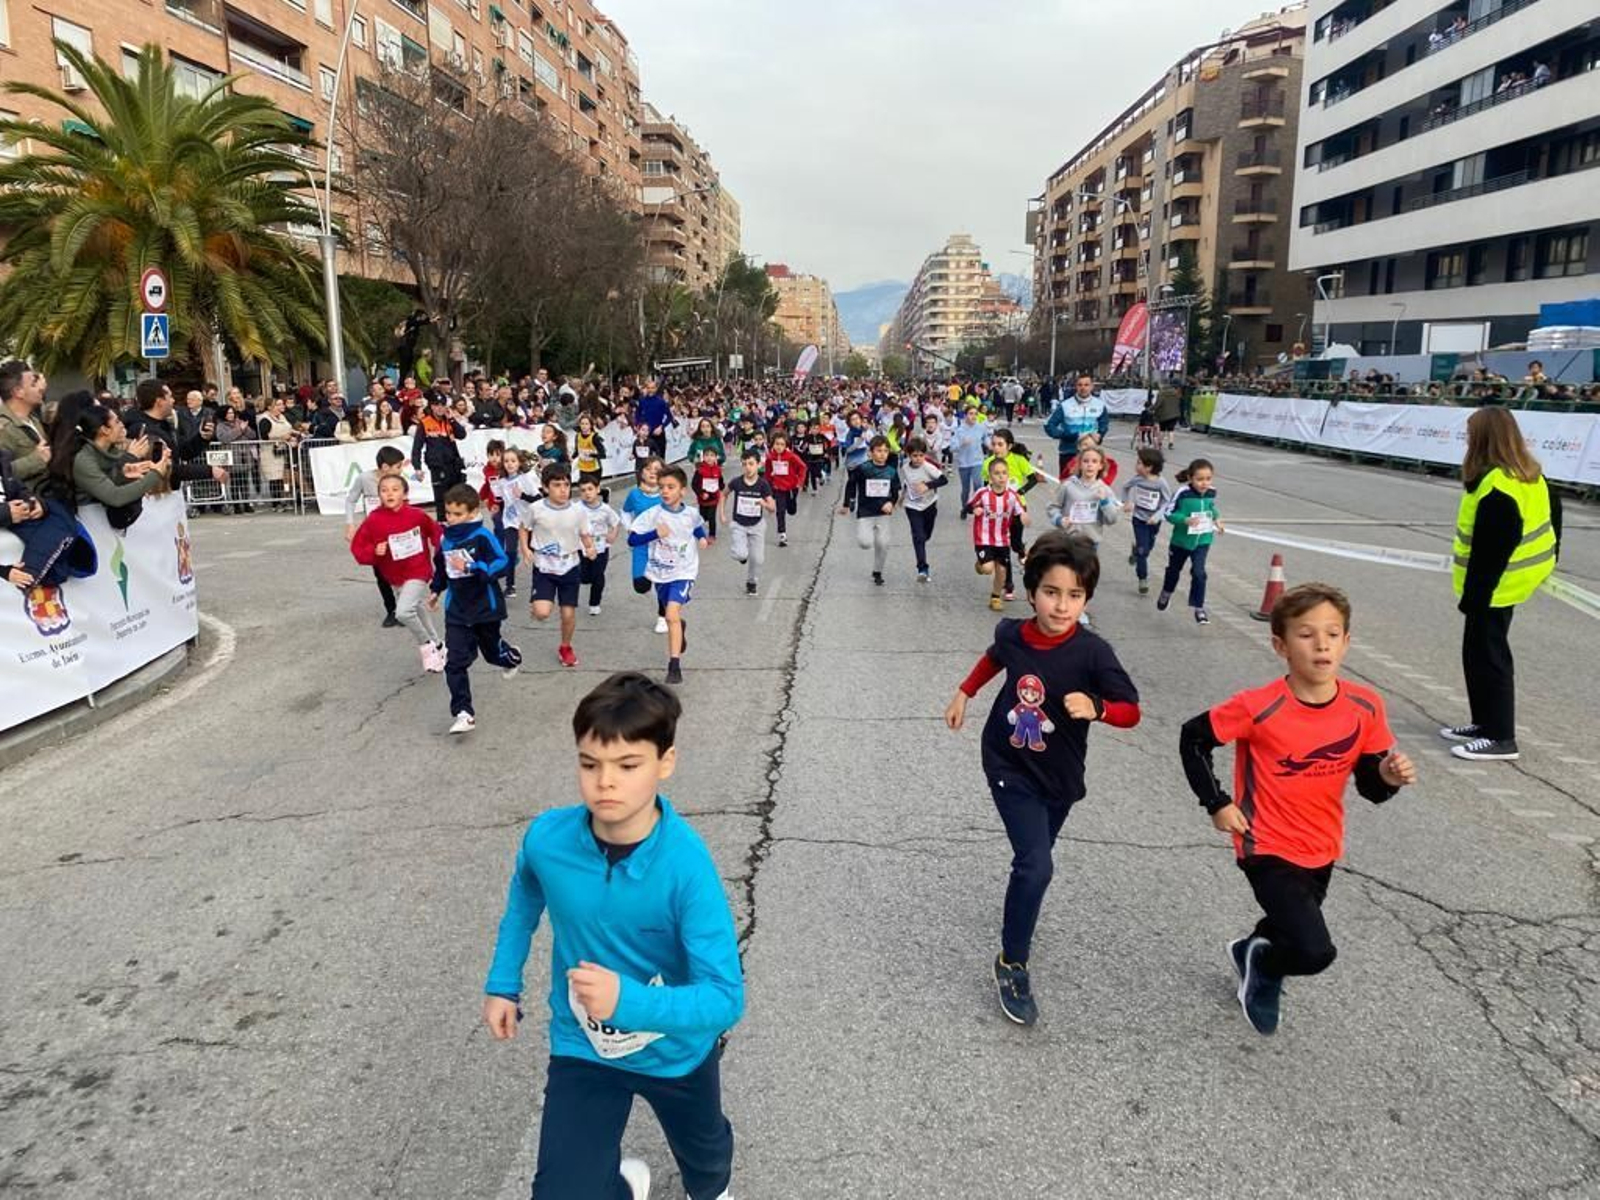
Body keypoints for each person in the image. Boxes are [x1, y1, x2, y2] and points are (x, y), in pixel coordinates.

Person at [482, 672, 744, 1200]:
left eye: (627, 766)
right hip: (584, 1047)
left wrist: (628, 1001)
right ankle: (624, 1185)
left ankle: (711, 1192)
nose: (605, 782)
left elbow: (725, 998)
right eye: (589, 764)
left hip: (675, 1052)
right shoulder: (548, 839)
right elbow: (526, 897)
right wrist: (502, 982)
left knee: (705, 1154)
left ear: (664, 764)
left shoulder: (687, 869)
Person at [1178, 583, 1417, 1035]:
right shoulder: (1258, 706)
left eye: (1332, 633)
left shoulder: (1366, 706)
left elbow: (1371, 786)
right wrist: (1217, 802)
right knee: (1313, 951)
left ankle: (1251, 950)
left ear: (1346, 641)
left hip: (1322, 846)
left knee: (1288, 926)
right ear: (1280, 646)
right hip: (1263, 842)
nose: (1321, 644)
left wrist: (1388, 776)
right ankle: (1265, 969)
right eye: (1306, 634)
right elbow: (1193, 738)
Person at [943, 531, 1140, 1026]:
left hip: (1061, 775)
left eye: (1075, 595)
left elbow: (1131, 710)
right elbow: (995, 657)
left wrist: (1098, 708)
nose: (1062, 605)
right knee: (1037, 865)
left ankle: (1022, 901)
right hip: (1007, 765)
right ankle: (1012, 963)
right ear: (1031, 592)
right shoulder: (1014, 633)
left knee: (1035, 860)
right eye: (1052, 592)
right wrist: (964, 693)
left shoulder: (1093, 654)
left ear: (1087, 598)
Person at [1441, 407, 1561, 762]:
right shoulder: (1527, 474)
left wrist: (1474, 597)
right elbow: (1555, 518)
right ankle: (1484, 723)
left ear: (1483, 439)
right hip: (1513, 579)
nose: (1466, 438)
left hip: (1496, 586)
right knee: (1477, 654)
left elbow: (1491, 551)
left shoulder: (1496, 486)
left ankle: (1501, 736)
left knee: (1490, 657)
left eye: (1469, 433)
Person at [429, 485, 522, 735]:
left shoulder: (482, 535)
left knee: (493, 655)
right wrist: (436, 590)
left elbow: (502, 562)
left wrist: (472, 567)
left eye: (458, 514)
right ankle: (464, 712)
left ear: (472, 512)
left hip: (485, 608)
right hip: (457, 611)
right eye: (448, 513)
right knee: (455, 663)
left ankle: (511, 656)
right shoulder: (445, 539)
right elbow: (441, 568)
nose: (451, 518)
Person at [349, 474, 445, 673]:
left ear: (405, 493)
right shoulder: (374, 520)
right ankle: (439, 645)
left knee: (402, 612)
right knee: (416, 608)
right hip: (394, 575)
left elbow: (436, 532)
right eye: (384, 490)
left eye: (395, 489)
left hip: (418, 570)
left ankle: (427, 646)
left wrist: (441, 551)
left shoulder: (416, 515)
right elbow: (358, 547)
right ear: (379, 495)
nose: (389, 493)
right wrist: (374, 552)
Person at [627, 466, 708, 686]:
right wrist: (655, 533)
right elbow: (632, 540)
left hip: (684, 572)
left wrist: (702, 538)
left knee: (670, 614)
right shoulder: (652, 515)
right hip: (659, 573)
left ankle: (674, 666)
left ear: (682, 490)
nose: (665, 491)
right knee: (673, 617)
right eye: (662, 487)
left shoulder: (691, 513)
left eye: (671, 487)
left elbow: (698, 527)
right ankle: (679, 627)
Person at [522, 463, 597, 670]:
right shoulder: (535, 509)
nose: (563, 489)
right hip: (544, 568)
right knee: (542, 613)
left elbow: (585, 534)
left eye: (566, 484)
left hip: (570, 566)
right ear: (545, 488)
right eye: (557, 485)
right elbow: (524, 528)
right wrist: (526, 549)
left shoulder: (578, 511)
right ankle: (538, 604)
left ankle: (565, 647)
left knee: (568, 614)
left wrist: (590, 548)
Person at [0, 445, 96, 590]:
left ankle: (43, 571)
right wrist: (6, 512)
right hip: (9, 519)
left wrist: (35, 503)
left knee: (58, 515)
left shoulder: (2, 458)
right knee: (60, 529)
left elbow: (17, 488)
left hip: (20, 516)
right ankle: (33, 574)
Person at [344, 445, 411, 627]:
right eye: (397, 466)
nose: (400, 470)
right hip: (375, 533)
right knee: (380, 573)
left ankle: (406, 607)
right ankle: (391, 610)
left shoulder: (399, 482)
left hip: (397, 532)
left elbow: (406, 505)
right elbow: (350, 500)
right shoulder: (364, 478)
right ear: (384, 467)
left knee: (401, 569)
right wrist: (350, 524)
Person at [1158, 458, 1223, 625]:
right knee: (1174, 570)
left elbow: (1211, 508)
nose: (1204, 483)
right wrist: (1184, 520)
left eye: (1208, 479)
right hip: (1181, 541)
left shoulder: (1211, 492)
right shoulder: (1182, 493)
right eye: (1200, 479)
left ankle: (1199, 607)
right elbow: (1168, 513)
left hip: (1203, 540)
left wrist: (1217, 520)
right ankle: (1167, 591)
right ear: (1190, 478)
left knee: (1199, 573)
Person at [965, 458, 1028, 611]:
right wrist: (974, 510)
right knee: (988, 569)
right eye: (997, 473)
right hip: (983, 537)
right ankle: (980, 565)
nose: (1001, 477)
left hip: (1002, 539)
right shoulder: (983, 493)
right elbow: (968, 506)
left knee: (1002, 570)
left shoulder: (1012, 495)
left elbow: (1020, 510)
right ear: (990, 476)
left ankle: (995, 597)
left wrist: (1024, 516)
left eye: (1004, 473)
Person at [838, 435, 900, 587]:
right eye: (879, 451)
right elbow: (851, 485)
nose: (882, 454)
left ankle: (877, 571)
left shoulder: (891, 471)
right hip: (866, 512)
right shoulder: (863, 469)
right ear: (870, 452)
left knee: (883, 544)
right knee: (865, 543)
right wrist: (846, 504)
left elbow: (896, 491)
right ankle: (869, 539)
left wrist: (891, 503)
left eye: (885, 451)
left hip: (883, 513)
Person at [623, 456, 667, 635]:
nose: (653, 472)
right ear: (641, 472)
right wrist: (630, 529)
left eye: (657, 469)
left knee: (661, 581)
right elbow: (625, 512)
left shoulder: (666, 494)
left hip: (661, 545)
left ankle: (662, 616)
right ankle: (659, 596)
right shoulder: (634, 495)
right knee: (640, 585)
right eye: (649, 469)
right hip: (641, 544)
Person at [722, 448, 775, 597]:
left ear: (758, 464)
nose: (748, 467)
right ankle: (741, 555)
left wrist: (763, 504)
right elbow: (724, 494)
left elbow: (772, 508)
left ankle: (752, 582)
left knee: (758, 559)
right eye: (744, 464)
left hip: (757, 525)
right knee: (741, 554)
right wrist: (722, 514)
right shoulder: (736, 482)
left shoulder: (763, 485)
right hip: (739, 524)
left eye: (751, 464)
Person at [1120, 448, 1172, 596]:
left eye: (1139, 463)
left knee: (1147, 548)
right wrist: (1127, 502)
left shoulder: (1161, 483)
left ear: (1149, 467)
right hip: (1139, 519)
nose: (1136, 466)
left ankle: (1136, 550)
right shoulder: (1137, 479)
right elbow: (1125, 487)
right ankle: (1142, 579)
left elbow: (1167, 502)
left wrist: (1157, 516)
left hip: (1154, 521)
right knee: (1144, 552)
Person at [411, 391, 469, 520]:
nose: (440, 408)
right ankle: (443, 530)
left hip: (454, 466)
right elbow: (417, 448)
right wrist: (417, 467)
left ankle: (460, 526)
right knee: (442, 502)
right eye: (436, 405)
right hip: (438, 467)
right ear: (431, 406)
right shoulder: (424, 423)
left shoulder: (449, 421)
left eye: (442, 405)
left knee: (458, 499)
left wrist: (452, 419)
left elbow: (462, 435)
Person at [898, 435, 947, 583]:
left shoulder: (928, 467)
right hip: (912, 506)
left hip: (929, 504)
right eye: (914, 456)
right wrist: (901, 498)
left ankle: (922, 542)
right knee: (918, 537)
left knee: (926, 535)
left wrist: (927, 486)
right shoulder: (905, 468)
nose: (918, 458)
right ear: (909, 455)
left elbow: (943, 479)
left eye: (921, 455)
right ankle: (922, 568)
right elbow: (906, 484)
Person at [0, 361, 51, 492]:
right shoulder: (3, 427)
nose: (41, 388)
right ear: (18, 392)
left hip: (48, 496)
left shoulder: (34, 419)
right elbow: (3, 474)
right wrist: (35, 460)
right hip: (28, 504)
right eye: (34, 384)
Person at [1044, 374, 1104, 475]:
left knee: (1091, 487)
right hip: (1069, 452)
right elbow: (1049, 426)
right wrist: (1067, 435)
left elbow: (1103, 425)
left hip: (1091, 454)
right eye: (1080, 385)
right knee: (1067, 487)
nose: (1083, 388)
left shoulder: (1100, 405)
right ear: (1076, 386)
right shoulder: (1065, 405)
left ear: (1092, 386)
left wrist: (1100, 435)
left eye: (1086, 385)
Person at [578, 477, 622, 617]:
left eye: (590, 489)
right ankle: (586, 579)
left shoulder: (605, 509)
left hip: (600, 547)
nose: (587, 493)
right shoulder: (577, 508)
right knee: (584, 578)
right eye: (583, 490)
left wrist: (613, 534)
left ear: (597, 489)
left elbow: (615, 523)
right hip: (581, 548)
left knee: (598, 575)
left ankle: (594, 603)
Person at [763, 433, 807, 547]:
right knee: (780, 510)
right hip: (778, 488)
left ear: (786, 445)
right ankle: (782, 534)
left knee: (791, 510)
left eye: (782, 444)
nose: (779, 447)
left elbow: (803, 467)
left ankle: (791, 505)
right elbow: (767, 472)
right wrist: (767, 486)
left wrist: (800, 483)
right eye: (777, 444)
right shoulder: (770, 457)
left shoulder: (791, 456)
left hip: (792, 487)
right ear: (773, 444)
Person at [951, 404, 989, 508]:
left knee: (978, 485)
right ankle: (964, 507)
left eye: (975, 414)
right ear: (965, 415)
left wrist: (989, 444)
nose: (973, 416)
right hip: (964, 463)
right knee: (966, 489)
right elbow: (952, 447)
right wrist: (961, 443)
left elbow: (985, 438)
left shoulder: (981, 427)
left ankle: (977, 507)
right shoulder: (959, 430)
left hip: (977, 461)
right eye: (970, 414)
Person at [691, 447, 724, 544]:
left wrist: (722, 488)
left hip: (714, 499)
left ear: (716, 457)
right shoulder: (700, 471)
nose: (709, 458)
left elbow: (720, 482)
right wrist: (701, 493)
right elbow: (694, 484)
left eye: (712, 455)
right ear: (703, 457)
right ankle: (698, 530)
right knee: (703, 517)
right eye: (707, 455)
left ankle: (712, 535)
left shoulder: (718, 470)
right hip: (703, 499)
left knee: (711, 517)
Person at [573, 414, 607, 488]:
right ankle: (603, 492)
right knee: (585, 488)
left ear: (590, 425)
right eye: (582, 424)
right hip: (583, 467)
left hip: (594, 468)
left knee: (593, 489)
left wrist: (591, 454)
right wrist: (571, 458)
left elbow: (603, 455)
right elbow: (577, 450)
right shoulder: (577, 436)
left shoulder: (595, 437)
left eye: (586, 424)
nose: (584, 426)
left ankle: (604, 492)